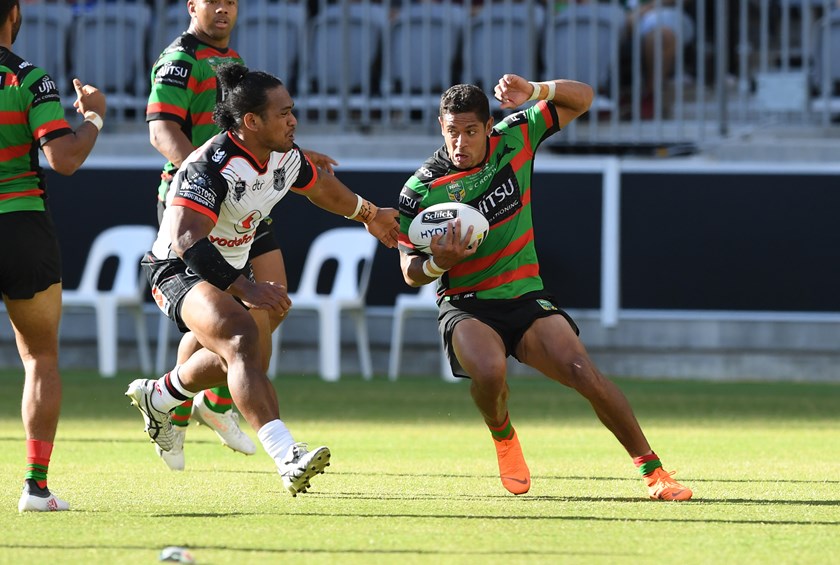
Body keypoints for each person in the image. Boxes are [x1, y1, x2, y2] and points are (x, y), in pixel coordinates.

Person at [396, 74, 692, 501]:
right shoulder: (419, 191)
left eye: (471, 131)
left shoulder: (516, 136)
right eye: (451, 132)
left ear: (488, 126)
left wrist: (535, 91)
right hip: (466, 304)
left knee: (582, 373)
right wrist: (439, 262)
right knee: (490, 372)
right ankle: (503, 436)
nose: (461, 142)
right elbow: (409, 270)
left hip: (526, 295)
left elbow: (585, 98)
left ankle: (654, 472)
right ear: (441, 128)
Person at [127, 62, 400, 496]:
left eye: (293, 111)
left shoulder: (284, 156)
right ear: (251, 121)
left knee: (241, 358)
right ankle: (287, 455)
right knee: (240, 338)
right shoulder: (212, 166)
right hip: (177, 268)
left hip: (228, 269)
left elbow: (322, 188)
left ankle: (160, 396)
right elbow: (185, 239)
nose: (293, 121)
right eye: (284, 113)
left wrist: (368, 215)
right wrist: (245, 286)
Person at [146, 0, 338, 470]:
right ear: (193, 6)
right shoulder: (180, 61)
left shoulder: (232, 65)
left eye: (232, 2)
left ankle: (189, 397)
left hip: (249, 192)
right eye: (215, 2)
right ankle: (229, 412)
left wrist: (275, 157)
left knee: (265, 312)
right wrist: (209, 175)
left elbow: (259, 130)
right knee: (234, 325)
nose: (225, 10)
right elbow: (161, 130)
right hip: (202, 205)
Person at [0, 0, 106, 512]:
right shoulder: (30, 80)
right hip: (21, 227)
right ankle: (36, 489)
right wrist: (93, 119)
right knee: (39, 358)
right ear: (14, 15)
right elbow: (63, 159)